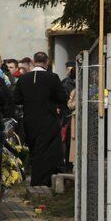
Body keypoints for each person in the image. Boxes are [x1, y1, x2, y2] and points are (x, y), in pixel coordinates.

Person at [13, 52, 68, 186]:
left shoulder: (24, 78)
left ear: (33, 61)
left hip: (29, 120)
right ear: (47, 62)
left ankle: (35, 178)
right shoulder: (53, 77)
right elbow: (61, 97)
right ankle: (43, 180)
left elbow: (16, 98)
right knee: (47, 151)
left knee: (34, 149)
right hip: (48, 119)